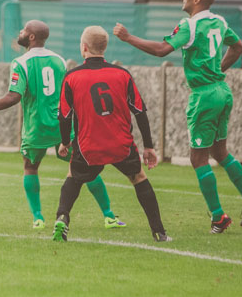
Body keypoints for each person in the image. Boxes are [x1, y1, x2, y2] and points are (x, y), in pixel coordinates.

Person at [114, 0, 242, 233]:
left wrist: (128, 37)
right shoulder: (218, 21)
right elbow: (238, 47)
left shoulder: (189, 26)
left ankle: (218, 216)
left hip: (204, 95)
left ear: (197, 0)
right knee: (220, 152)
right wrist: (218, 70)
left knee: (198, 158)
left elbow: (163, 50)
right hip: (222, 91)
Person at [0, 19, 124, 231]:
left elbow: (14, 96)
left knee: (30, 167)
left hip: (36, 127)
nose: (20, 32)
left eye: (23, 30)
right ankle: (109, 216)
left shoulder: (20, 63)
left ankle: (38, 218)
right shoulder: (59, 60)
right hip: (62, 126)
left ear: (31, 37)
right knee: (85, 168)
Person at [52, 26, 171, 244]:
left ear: (84, 47)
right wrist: (149, 147)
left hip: (88, 146)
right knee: (139, 178)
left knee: (73, 177)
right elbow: (140, 111)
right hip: (121, 144)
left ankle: (62, 217)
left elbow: (64, 116)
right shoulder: (122, 74)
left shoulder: (72, 77)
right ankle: (159, 232)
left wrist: (65, 142)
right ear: (104, 47)